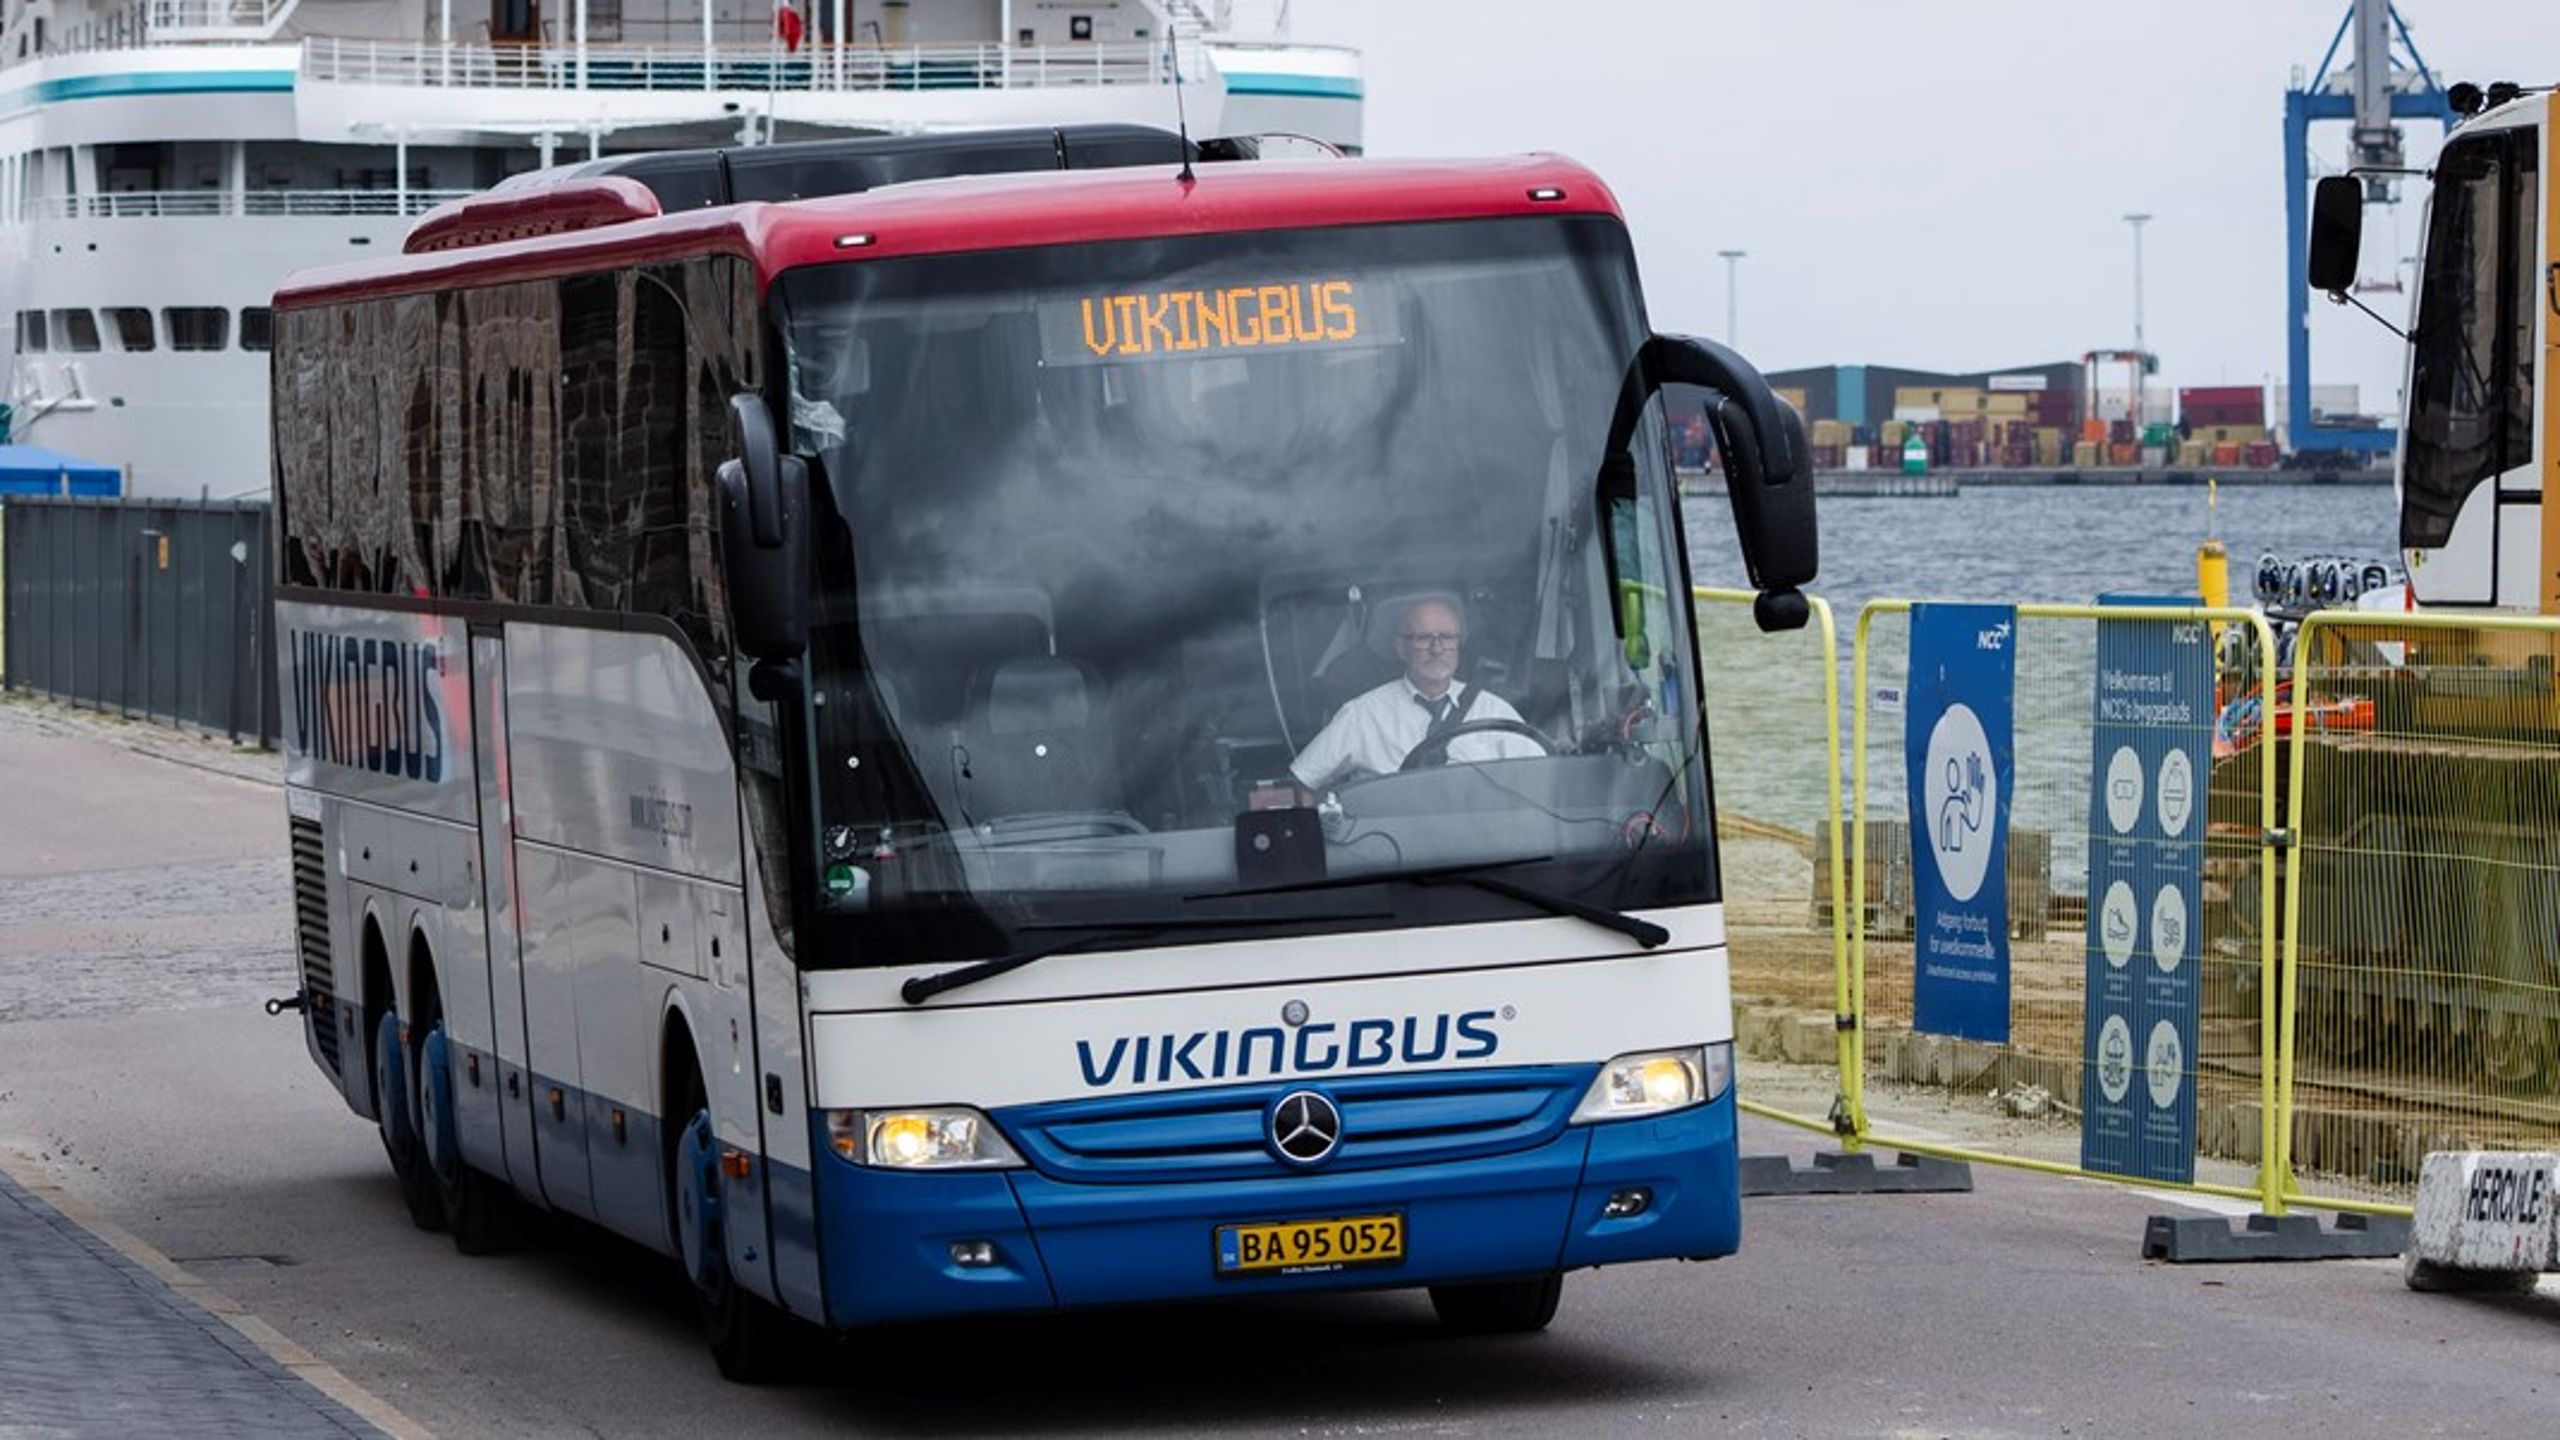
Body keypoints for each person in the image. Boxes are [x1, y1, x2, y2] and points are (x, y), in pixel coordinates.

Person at [1289, 597, 1543, 794]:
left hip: (1486, 851)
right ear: (1401, 648)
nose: (1437, 648)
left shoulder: (1494, 711)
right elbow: (1301, 784)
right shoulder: (1361, 715)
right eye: (1423, 638)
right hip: (1396, 856)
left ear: (1458, 645)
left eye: (1447, 637)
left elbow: (1542, 782)